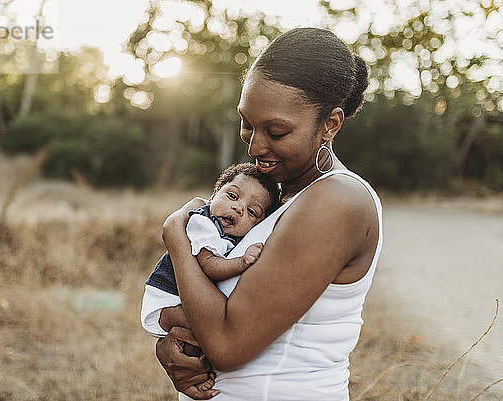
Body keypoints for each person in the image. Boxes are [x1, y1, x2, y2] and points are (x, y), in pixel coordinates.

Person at [155, 27, 383, 401]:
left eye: (276, 131)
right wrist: (170, 344)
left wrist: (177, 239)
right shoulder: (279, 194)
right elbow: (217, 310)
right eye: (247, 122)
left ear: (331, 124)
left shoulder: (338, 199)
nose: (255, 144)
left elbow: (228, 346)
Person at [141, 163, 281, 359]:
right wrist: (241, 262)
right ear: (214, 195)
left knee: (201, 335)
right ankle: (199, 371)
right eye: (232, 196)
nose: (239, 208)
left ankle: (199, 369)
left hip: (184, 300)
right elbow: (209, 266)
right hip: (167, 300)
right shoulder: (204, 224)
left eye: (252, 211)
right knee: (203, 331)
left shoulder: (231, 235)